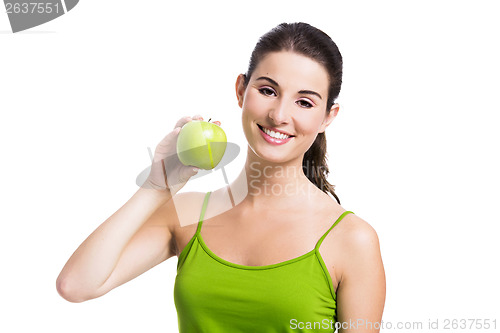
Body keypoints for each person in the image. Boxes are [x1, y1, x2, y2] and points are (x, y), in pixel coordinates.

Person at [56, 22, 386, 332]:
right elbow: (76, 285)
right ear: (241, 90)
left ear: (329, 116)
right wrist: (157, 186)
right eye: (268, 91)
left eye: (304, 101)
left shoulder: (351, 240)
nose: (279, 115)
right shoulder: (187, 215)